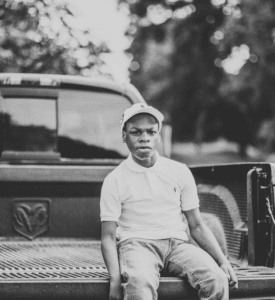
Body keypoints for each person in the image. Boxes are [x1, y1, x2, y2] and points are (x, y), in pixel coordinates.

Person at [100, 103, 238, 300]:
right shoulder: (114, 180)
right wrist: (114, 280)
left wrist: (223, 261)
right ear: (124, 136)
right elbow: (108, 236)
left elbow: (197, 225)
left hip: (177, 246)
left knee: (216, 279)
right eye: (135, 132)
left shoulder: (179, 171)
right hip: (137, 245)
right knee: (139, 284)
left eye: (150, 132)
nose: (144, 138)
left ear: (158, 135)